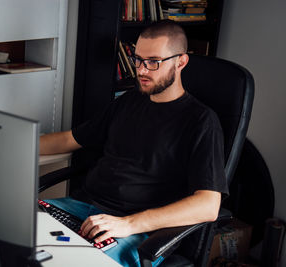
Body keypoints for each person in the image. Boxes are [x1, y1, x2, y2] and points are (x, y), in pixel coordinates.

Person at [39, 20, 228, 267]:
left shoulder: (201, 121)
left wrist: (127, 224)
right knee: (9, 234)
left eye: (153, 62)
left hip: (134, 230)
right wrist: (16, 144)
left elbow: (208, 205)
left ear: (180, 62)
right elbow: (69, 139)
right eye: (137, 59)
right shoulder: (129, 101)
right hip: (79, 209)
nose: (141, 70)